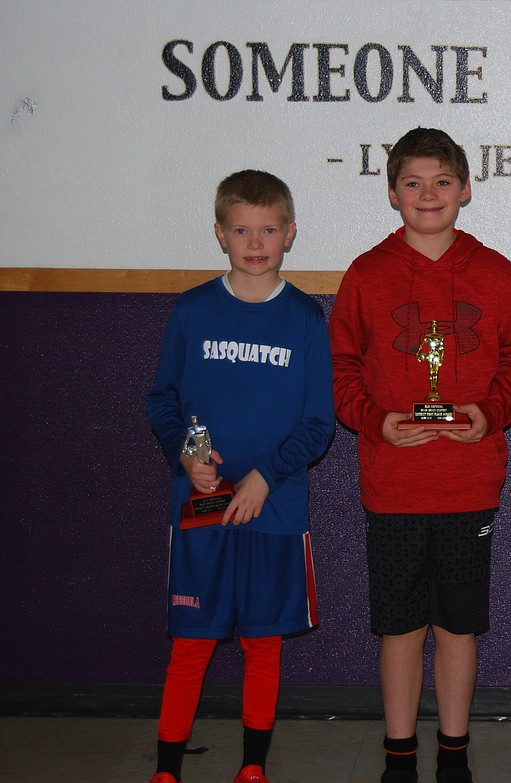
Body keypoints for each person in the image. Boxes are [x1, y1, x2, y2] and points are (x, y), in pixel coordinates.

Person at [329, 127, 511, 783]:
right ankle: (399, 759)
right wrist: (377, 422)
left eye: (442, 182)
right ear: (392, 192)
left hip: (466, 483)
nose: (428, 195)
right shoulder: (366, 274)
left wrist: (491, 411)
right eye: (414, 183)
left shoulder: (492, 269)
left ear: (466, 189)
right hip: (393, 483)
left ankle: (453, 754)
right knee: (399, 629)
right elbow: (341, 372)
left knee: (456, 627)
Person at [144, 170, 335, 783]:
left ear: (290, 234)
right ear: (221, 235)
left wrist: (266, 477)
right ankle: (166, 768)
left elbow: (318, 423)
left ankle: (253, 767)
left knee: (262, 644)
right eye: (242, 230)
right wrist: (184, 453)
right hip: (200, 507)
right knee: (192, 644)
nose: (257, 242)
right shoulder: (194, 309)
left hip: (274, 509)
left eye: (269, 229)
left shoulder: (306, 319)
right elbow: (162, 399)